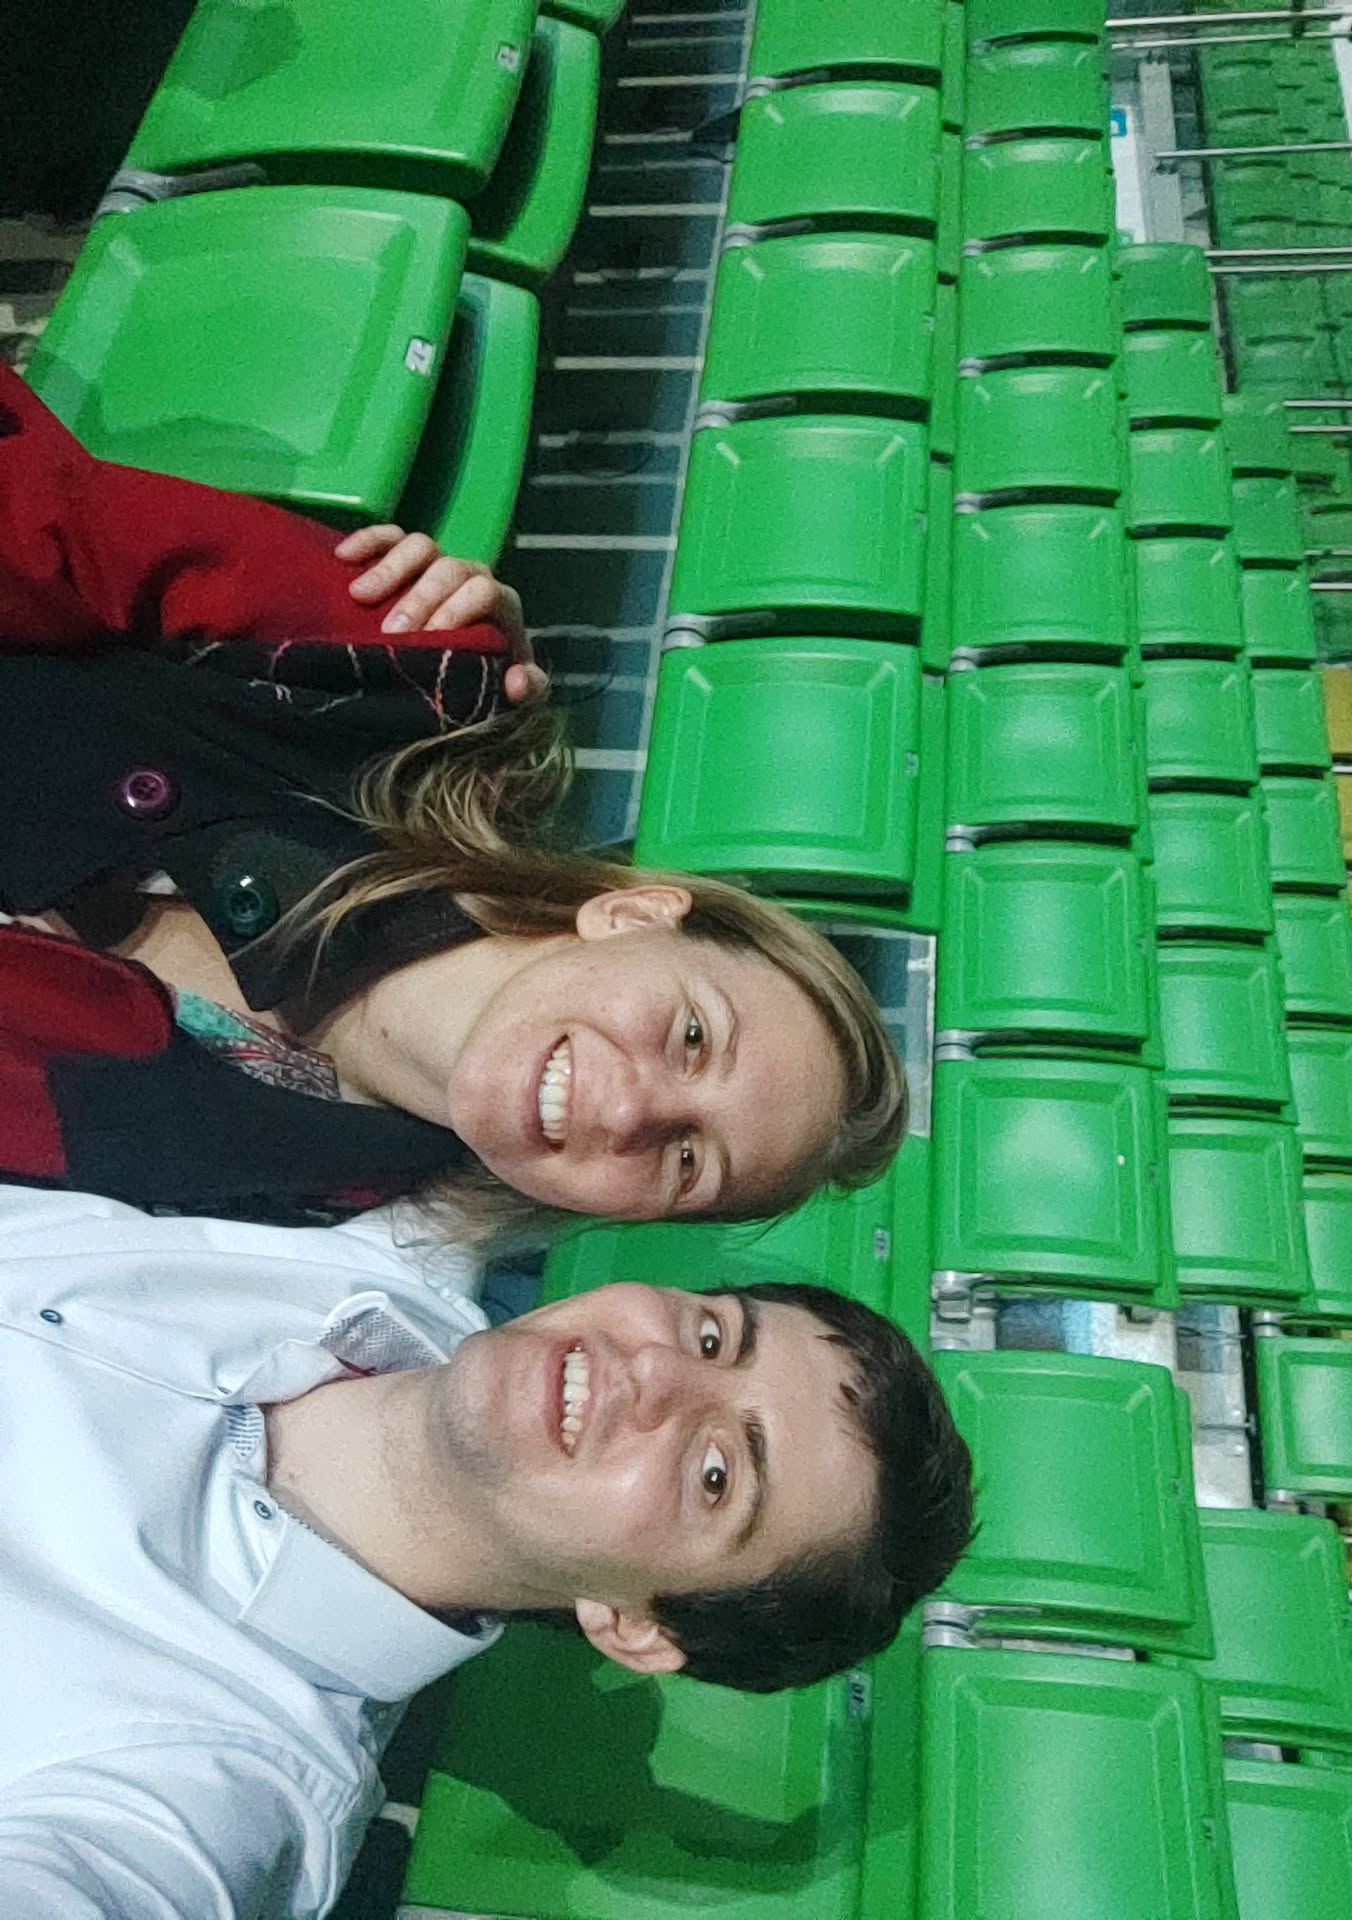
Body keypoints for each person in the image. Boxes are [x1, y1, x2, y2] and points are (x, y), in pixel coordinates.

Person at [0, 366, 906, 1228]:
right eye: (694, 1037)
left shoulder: (292, 1229)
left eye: (687, 1162)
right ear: (633, 915)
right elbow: (40, 521)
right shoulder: (416, 681)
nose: (634, 1112)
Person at [0, 1180, 974, 1920]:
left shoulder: (220, 1789)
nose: (656, 1369)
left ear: (634, 1625)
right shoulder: (407, 1266)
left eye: (716, 1475)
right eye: (714, 1337)